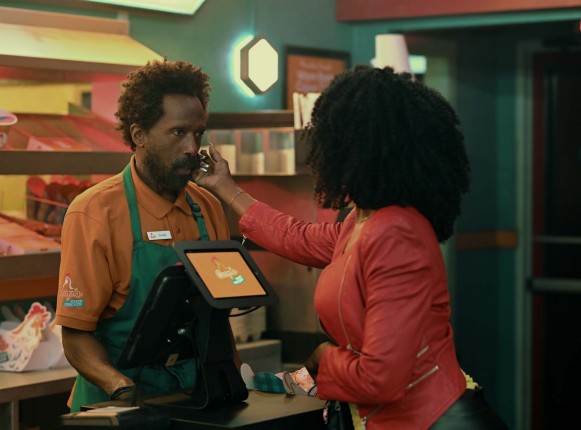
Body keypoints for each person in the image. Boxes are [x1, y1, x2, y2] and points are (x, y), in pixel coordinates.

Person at [195, 66, 508, 429]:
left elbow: (382, 378)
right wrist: (227, 188)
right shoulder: (362, 221)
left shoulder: (397, 235)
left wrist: (323, 360)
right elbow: (297, 236)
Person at [54, 59, 231, 412]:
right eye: (178, 132)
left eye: (198, 133)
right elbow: (75, 335)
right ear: (139, 135)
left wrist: (233, 381)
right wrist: (120, 388)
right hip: (116, 403)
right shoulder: (94, 212)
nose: (192, 148)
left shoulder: (209, 206)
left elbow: (218, 321)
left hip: (195, 395)